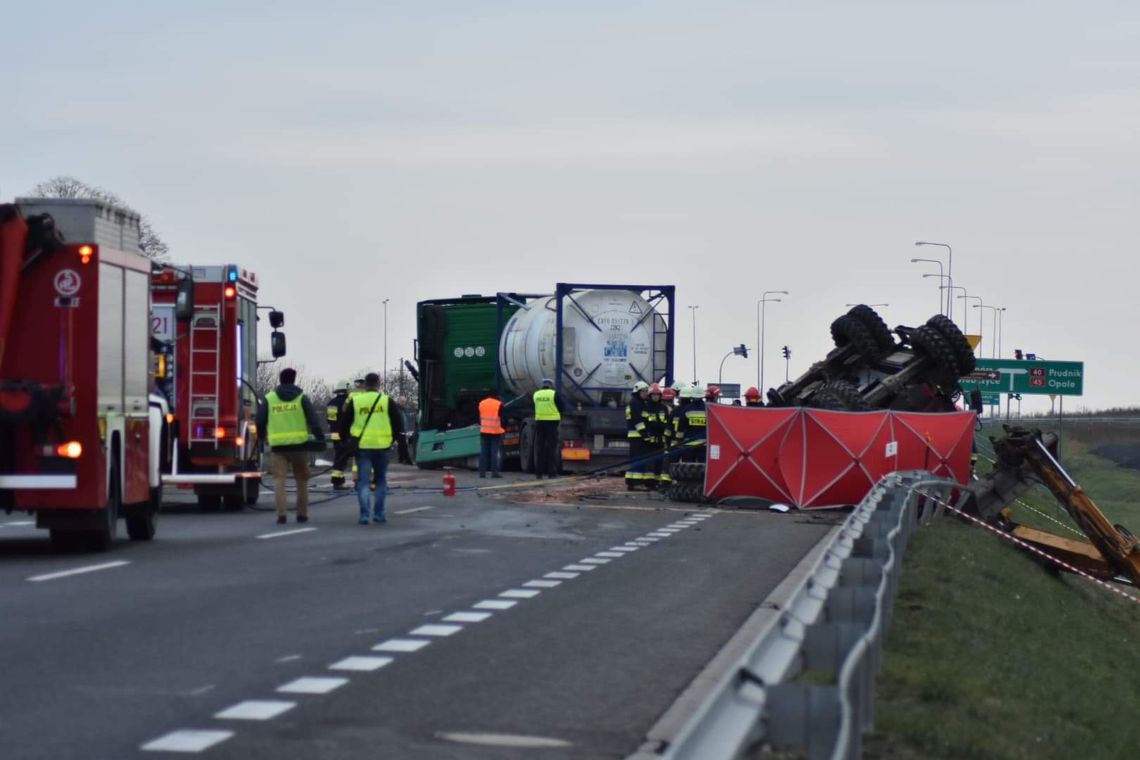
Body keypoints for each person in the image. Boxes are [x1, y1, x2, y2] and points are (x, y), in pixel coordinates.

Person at [257, 367, 325, 524]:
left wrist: (262, 437)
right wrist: (320, 438)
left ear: (280, 379)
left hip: (278, 447)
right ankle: (302, 514)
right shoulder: (301, 398)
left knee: (278, 480)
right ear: (294, 379)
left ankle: (281, 514)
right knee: (301, 479)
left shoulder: (270, 398)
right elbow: (313, 421)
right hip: (299, 447)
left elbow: (260, 420)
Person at [339, 372, 405, 525]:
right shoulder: (386, 401)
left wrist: (345, 441)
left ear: (365, 385)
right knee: (381, 481)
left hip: (363, 447)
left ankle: (364, 514)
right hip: (382, 446)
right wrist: (392, 440)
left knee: (363, 482)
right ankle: (379, 513)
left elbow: (344, 424)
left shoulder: (356, 401)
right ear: (378, 384)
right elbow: (398, 424)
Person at [625, 381, 653, 490]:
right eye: (644, 391)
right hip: (638, 436)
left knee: (635, 459)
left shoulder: (637, 402)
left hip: (635, 436)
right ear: (638, 392)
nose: (646, 393)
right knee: (639, 460)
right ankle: (637, 483)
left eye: (647, 391)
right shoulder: (636, 403)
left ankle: (631, 482)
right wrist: (645, 434)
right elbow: (638, 421)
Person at [532, 378, 562, 479]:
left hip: (540, 422)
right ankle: (551, 473)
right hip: (552, 423)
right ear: (551, 385)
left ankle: (539, 473)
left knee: (540, 448)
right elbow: (562, 407)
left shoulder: (536, 394)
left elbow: (535, 406)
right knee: (551, 448)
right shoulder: (554, 394)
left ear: (543, 385)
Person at [644, 383, 673, 488]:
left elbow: (667, 422)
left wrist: (658, 425)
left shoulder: (664, 408)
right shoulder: (646, 407)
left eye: (657, 395)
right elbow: (647, 422)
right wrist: (657, 425)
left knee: (660, 460)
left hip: (661, 438)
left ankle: (658, 482)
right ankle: (649, 482)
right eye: (653, 395)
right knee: (649, 460)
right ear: (650, 396)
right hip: (649, 438)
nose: (655, 396)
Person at [326, 380, 353, 489]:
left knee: (339, 458)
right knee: (346, 458)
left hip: (335, 434)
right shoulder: (349, 402)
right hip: (346, 435)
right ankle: (338, 482)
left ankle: (337, 481)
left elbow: (331, 420)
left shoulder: (331, 403)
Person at [478, 389, 504, 478]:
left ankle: (482, 473)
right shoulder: (498, 404)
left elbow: (479, 417)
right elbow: (503, 418)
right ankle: (494, 473)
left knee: (483, 452)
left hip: (484, 431)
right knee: (494, 453)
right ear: (496, 396)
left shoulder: (481, 403)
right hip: (495, 432)